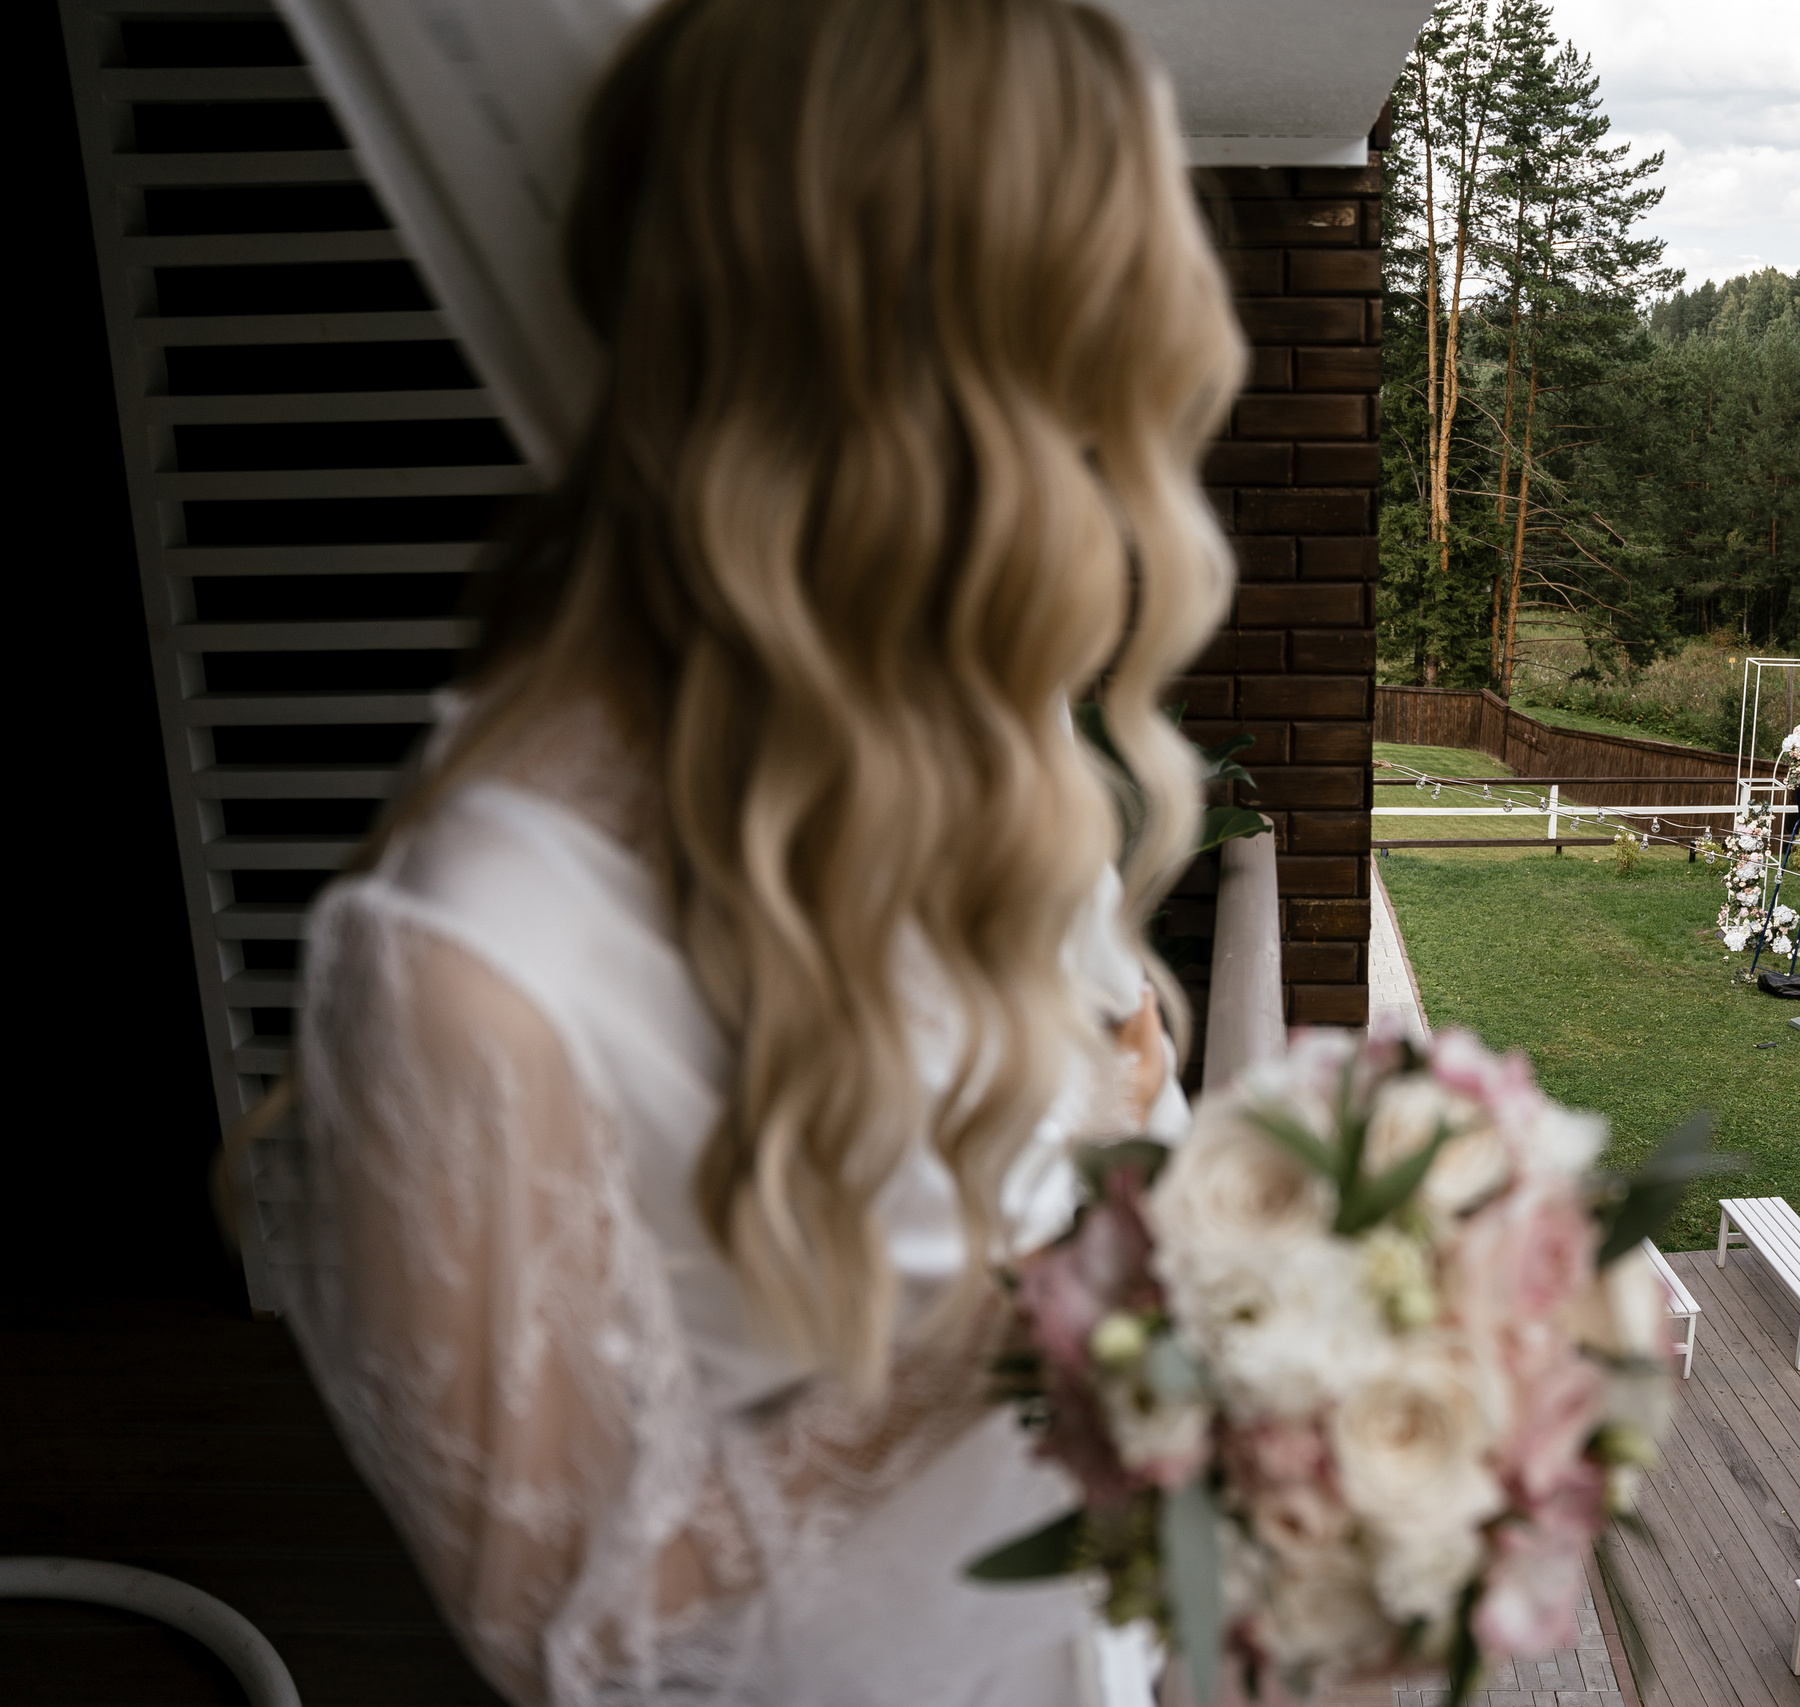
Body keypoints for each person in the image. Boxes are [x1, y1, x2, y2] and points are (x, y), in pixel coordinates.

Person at [235, 2, 1243, 1701]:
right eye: (1065, 368)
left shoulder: (969, 743)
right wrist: (1017, 1338)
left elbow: (1085, 1113)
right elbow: (579, 1628)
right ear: (876, 370)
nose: (1099, 459)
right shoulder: (476, 968)